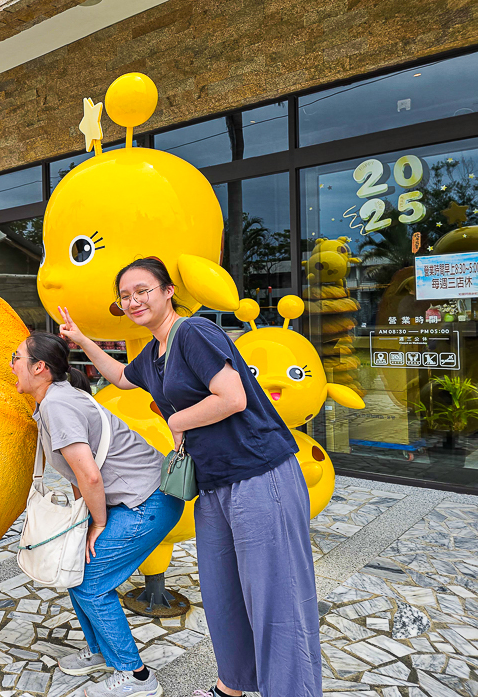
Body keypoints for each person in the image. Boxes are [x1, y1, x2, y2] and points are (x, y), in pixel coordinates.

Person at [58, 257, 321, 697]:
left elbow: (232, 396)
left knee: (277, 597)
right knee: (223, 594)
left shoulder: (194, 333)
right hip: (213, 483)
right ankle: (232, 685)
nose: (133, 300)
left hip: (258, 473)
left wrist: (179, 422)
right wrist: (83, 339)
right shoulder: (155, 353)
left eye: (142, 290)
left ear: (167, 292)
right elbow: (122, 378)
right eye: (124, 296)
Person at [11, 332, 183, 697]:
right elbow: (78, 474)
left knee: (91, 584)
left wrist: (99, 523)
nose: (11, 365)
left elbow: (89, 474)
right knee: (78, 568)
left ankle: (136, 676)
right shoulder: (54, 400)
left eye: (16, 357)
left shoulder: (58, 406)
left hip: (147, 503)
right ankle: (101, 651)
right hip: (137, 499)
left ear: (39, 367)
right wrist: (84, 522)